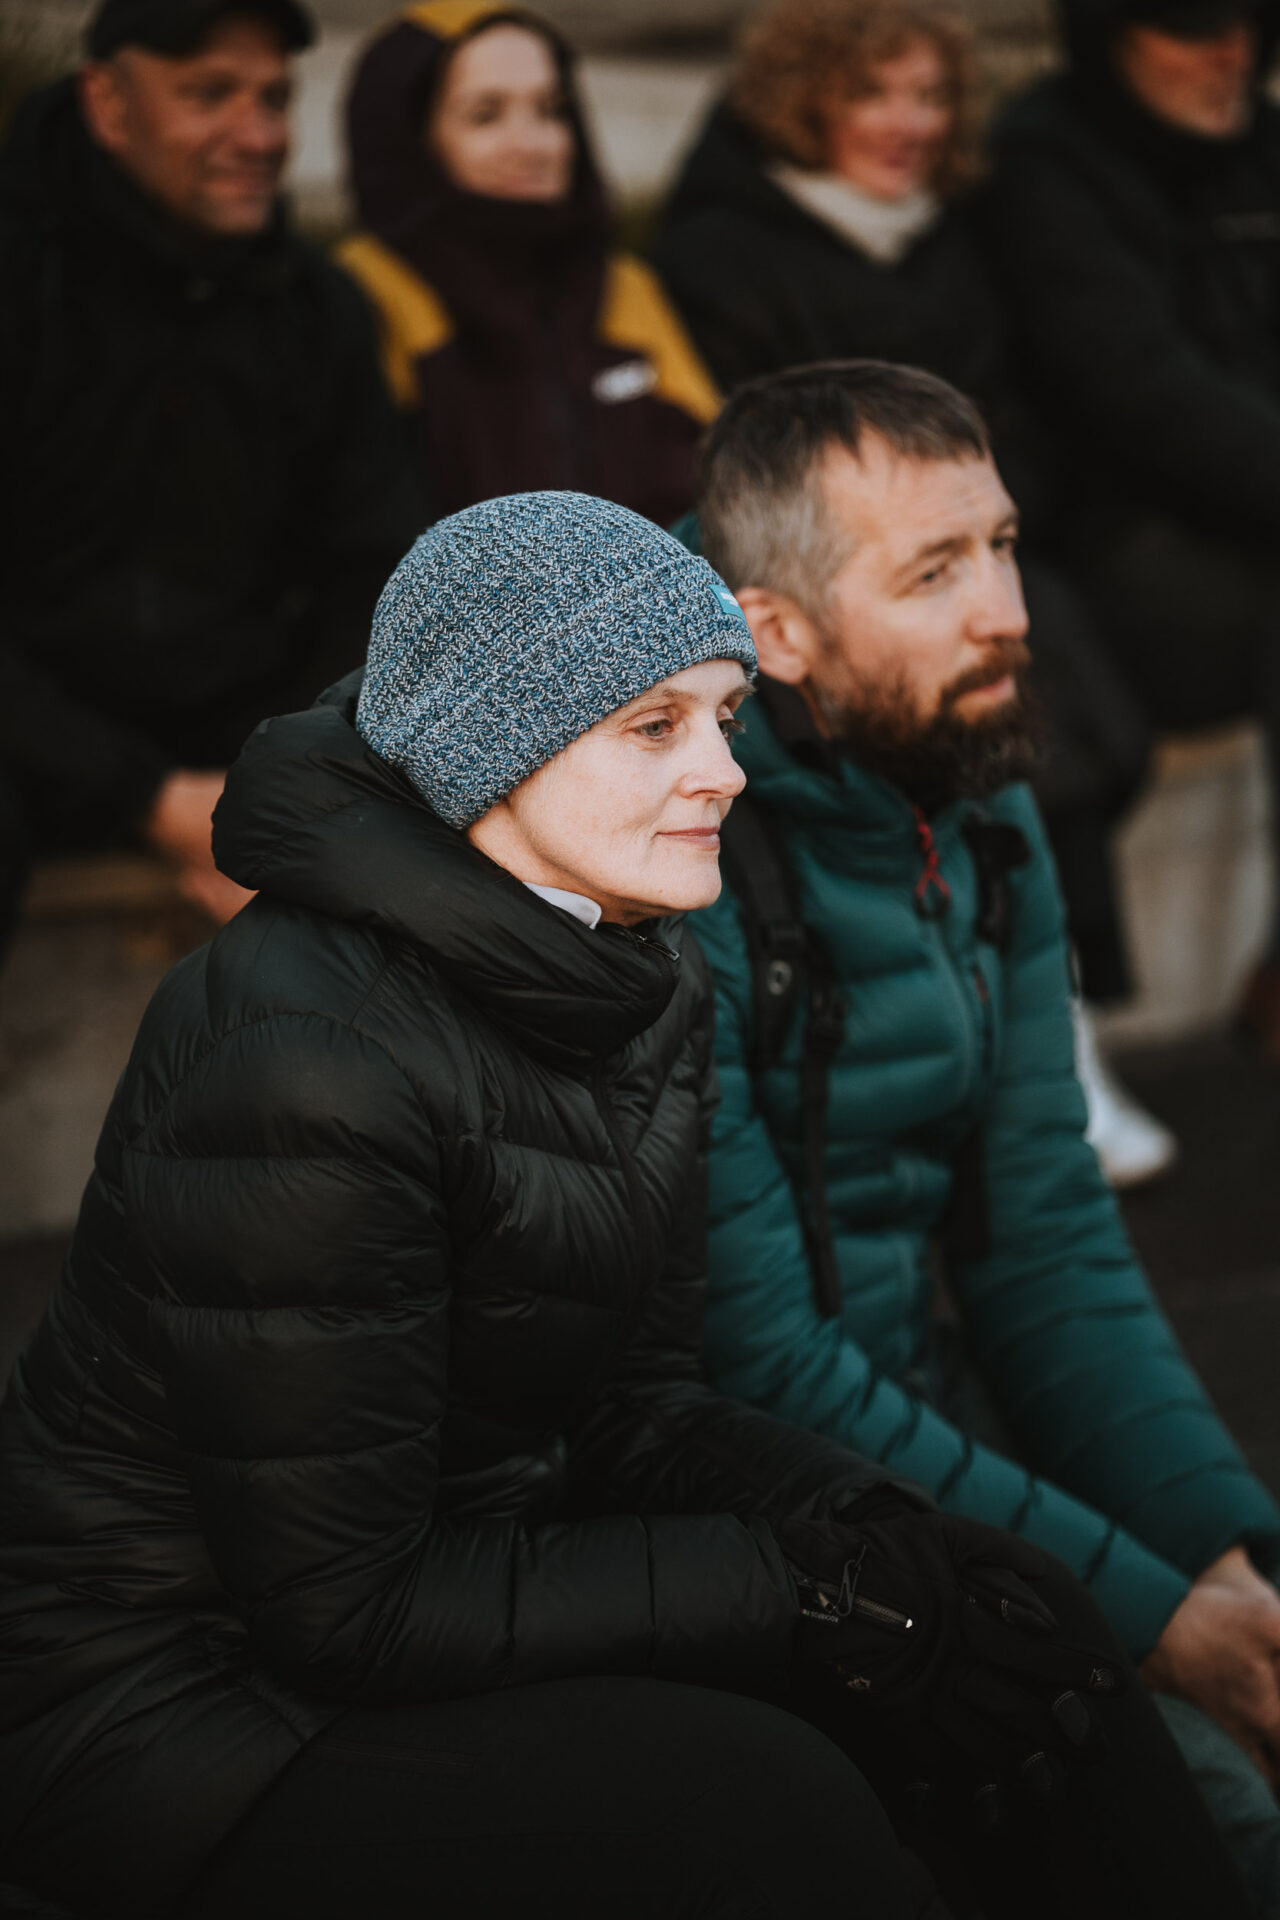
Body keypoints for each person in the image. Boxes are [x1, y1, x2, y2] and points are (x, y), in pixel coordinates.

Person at [0, 492, 1250, 1920]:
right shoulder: (306, 1057)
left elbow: (638, 1404)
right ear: (486, 748)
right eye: (654, 727)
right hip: (168, 1699)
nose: (723, 771)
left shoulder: (642, 964)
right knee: (767, 1813)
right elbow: (346, 1608)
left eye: (725, 717)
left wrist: (877, 1535)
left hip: (455, 1576)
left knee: (1021, 1625)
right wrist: (794, 1590)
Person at [686, 358, 1280, 1914]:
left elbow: (1046, 1241)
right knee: (1201, 1810)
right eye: (934, 572)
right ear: (775, 634)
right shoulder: (681, 853)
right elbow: (759, 1368)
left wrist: (1221, 1569)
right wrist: (1157, 1628)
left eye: (1003, 545)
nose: (1008, 613)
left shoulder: (981, 800)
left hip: (919, 1418)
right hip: (721, 1510)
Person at [655, 0, 1173, 1187]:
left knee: (1046, 693)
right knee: (997, 710)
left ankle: (1041, 1023)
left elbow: (1023, 410)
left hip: (976, 545)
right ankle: (1043, 1033)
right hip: (810, 574)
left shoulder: (952, 237)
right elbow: (754, 466)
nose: (908, 122)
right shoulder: (720, 248)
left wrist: (973, 522)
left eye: (930, 94)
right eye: (873, 91)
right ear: (806, 99)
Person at [0, 0, 421, 937]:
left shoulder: (319, 310)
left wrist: (283, 782)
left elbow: (374, 571)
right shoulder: (21, 283)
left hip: (239, 733)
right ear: (108, 104)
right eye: (209, 94)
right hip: (31, 737)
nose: (260, 136)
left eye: (274, 98)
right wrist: (144, 795)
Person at [982, 0, 1280, 1065]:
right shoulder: (1045, 161)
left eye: (1247, 21)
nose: (1228, 51)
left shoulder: (1259, 147)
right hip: (1111, 552)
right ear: (1111, 35)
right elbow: (1136, 393)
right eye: (1190, 27)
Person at [336, 0, 718, 527]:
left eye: (552, 110)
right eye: (485, 116)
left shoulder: (623, 285)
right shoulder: (365, 291)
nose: (532, 145)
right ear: (409, 138)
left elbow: (721, 486)